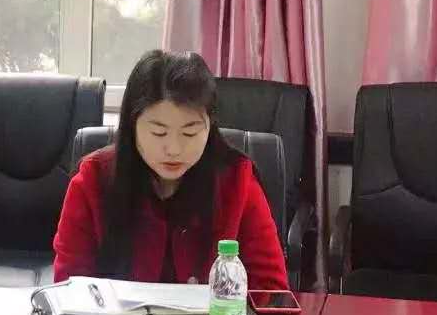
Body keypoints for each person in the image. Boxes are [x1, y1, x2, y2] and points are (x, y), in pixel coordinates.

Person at [53, 50, 289, 289]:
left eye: (190, 132)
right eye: (159, 133)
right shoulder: (92, 180)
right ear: (132, 126)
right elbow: (70, 288)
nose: (174, 149)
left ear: (210, 126)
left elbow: (271, 289)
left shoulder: (238, 182)